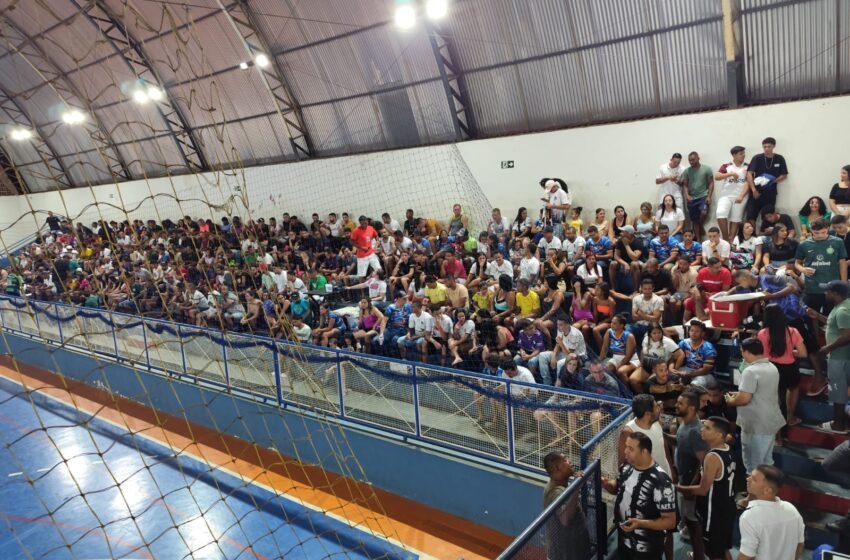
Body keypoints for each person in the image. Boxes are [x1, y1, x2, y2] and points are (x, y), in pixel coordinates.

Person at [603, 432, 677, 560]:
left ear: (644, 452)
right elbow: (618, 488)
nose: (625, 451)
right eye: (626, 446)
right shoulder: (627, 467)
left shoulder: (661, 482)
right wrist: (605, 483)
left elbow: (670, 521)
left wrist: (640, 523)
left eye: (631, 449)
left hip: (648, 550)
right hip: (624, 542)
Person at [676, 416, 737, 560]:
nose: (702, 429)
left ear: (719, 435)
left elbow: (703, 490)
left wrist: (679, 489)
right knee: (722, 548)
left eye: (708, 428)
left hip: (714, 512)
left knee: (713, 553)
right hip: (727, 507)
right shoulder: (727, 449)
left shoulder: (712, 457)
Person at [726, 338, 786, 473]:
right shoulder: (772, 367)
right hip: (769, 421)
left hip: (756, 424)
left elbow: (744, 399)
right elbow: (759, 392)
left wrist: (731, 401)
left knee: (754, 465)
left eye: (742, 352)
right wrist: (740, 393)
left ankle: (755, 493)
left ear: (747, 352)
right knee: (767, 460)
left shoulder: (750, 371)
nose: (742, 355)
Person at [737, 465, 805, 560]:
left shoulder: (750, 517)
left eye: (754, 479)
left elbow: (746, 556)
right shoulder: (792, 510)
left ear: (768, 490)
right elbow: (800, 544)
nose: (748, 479)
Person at [809, 280, 850, 433]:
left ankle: (838, 426)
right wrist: (818, 316)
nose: (825, 293)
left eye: (828, 291)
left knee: (838, 394)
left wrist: (828, 348)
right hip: (841, 357)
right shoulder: (843, 307)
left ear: (836, 294)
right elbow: (835, 325)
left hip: (839, 358)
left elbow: (847, 335)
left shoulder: (842, 311)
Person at [758, 304, 807, 428]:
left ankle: (776, 424)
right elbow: (803, 353)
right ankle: (790, 417)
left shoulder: (762, 333)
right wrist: (791, 351)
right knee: (793, 389)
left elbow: (762, 355)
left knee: (775, 397)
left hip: (771, 368)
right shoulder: (792, 331)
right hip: (789, 368)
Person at [673, 390, 709, 559]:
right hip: (684, 478)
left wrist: (690, 489)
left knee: (694, 520)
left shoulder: (696, 431)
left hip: (689, 482)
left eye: (681, 403)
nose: (676, 405)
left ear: (692, 408)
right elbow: (680, 441)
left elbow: (703, 462)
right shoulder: (684, 423)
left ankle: (699, 554)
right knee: (688, 516)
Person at [541, 452, 591, 560]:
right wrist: (576, 487)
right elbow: (565, 519)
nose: (569, 461)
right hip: (565, 554)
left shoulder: (559, 485)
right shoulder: (556, 492)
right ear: (557, 468)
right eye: (565, 460)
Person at [620, 394, 672, 477]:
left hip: (665, 475)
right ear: (648, 414)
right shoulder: (629, 432)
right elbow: (623, 462)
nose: (659, 408)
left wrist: (671, 471)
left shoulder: (657, 422)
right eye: (656, 407)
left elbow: (663, 446)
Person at [745, 137, 789, 223]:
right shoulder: (757, 158)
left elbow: (784, 175)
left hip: (770, 193)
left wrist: (772, 180)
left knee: (768, 217)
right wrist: (753, 190)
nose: (767, 149)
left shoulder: (779, 158)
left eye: (769, 146)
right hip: (756, 191)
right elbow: (749, 173)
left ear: (774, 146)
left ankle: (765, 234)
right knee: (750, 215)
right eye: (764, 147)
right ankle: (751, 235)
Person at [714, 145, 749, 242]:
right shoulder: (727, 166)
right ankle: (725, 237)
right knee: (720, 213)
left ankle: (731, 240)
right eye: (741, 154)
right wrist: (730, 174)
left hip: (740, 196)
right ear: (734, 155)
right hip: (726, 195)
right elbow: (717, 176)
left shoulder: (747, 166)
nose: (743, 155)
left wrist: (741, 195)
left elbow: (749, 182)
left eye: (744, 153)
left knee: (735, 218)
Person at [681, 151, 714, 240]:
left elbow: (711, 182)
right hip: (691, 198)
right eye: (690, 160)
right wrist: (687, 195)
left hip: (703, 196)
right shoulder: (687, 171)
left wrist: (709, 196)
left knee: (704, 212)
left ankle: (699, 225)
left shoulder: (707, 169)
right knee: (694, 220)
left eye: (693, 160)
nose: (691, 162)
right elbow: (685, 185)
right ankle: (698, 240)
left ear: (698, 158)